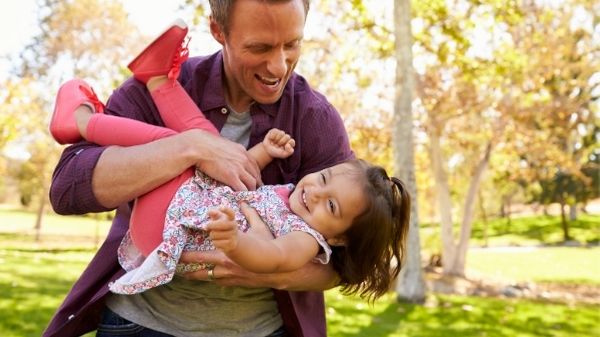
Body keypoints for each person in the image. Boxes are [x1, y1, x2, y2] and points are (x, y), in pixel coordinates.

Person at [43, 1, 380, 336]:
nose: (278, 67)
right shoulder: (156, 89)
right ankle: (82, 121)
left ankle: (83, 120)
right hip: (140, 322)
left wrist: (273, 268)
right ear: (218, 31)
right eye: (260, 47)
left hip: (259, 330)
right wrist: (189, 148)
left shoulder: (314, 118)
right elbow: (68, 188)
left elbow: (349, 259)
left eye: (292, 44)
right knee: (185, 135)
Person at [49, 71, 410, 300]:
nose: (315, 192)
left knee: (183, 144)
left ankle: (85, 121)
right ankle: (156, 81)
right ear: (220, 30)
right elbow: (243, 172)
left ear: (338, 238)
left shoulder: (304, 238)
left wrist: (236, 241)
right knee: (200, 145)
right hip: (173, 221)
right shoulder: (291, 200)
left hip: (165, 232)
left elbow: (272, 258)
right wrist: (266, 152)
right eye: (324, 179)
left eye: (330, 206)